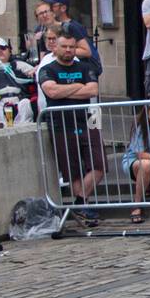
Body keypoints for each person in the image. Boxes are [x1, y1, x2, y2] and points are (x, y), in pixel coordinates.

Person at [39, 28, 105, 228]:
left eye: (71, 47)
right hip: (60, 123)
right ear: (55, 47)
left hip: (88, 119)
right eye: (64, 46)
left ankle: (79, 202)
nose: (68, 50)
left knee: (99, 164)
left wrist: (65, 91)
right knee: (72, 169)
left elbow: (92, 89)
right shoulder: (47, 69)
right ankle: (83, 207)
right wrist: (78, 86)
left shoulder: (85, 67)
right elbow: (50, 91)